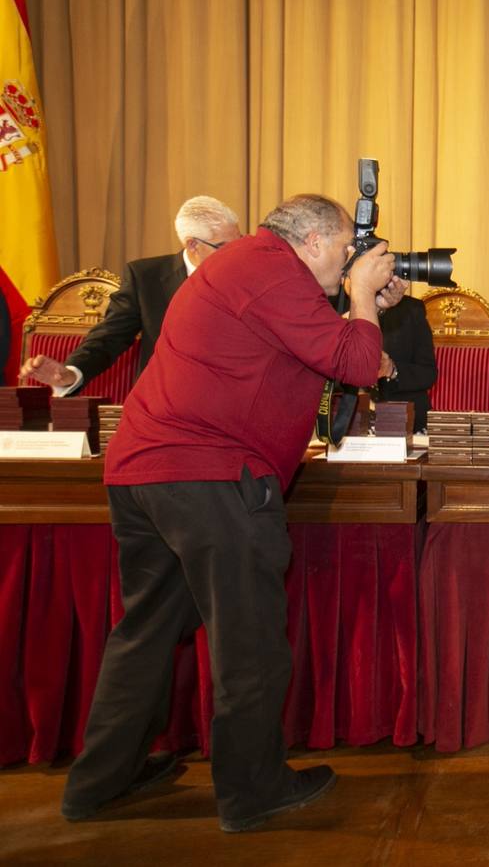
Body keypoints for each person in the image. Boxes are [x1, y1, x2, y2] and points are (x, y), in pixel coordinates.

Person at [60, 194, 405, 833]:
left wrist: (359, 307)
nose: (347, 262)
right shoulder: (272, 267)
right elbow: (354, 362)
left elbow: (316, 349)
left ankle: (100, 780)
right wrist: (359, 296)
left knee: (147, 631)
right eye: (342, 253)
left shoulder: (247, 266)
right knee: (248, 640)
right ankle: (253, 790)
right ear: (312, 240)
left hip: (148, 472)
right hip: (212, 477)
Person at [19, 196, 241, 394]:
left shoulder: (247, 275)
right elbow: (109, 337)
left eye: (239, 242)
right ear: (192, 244)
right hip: (164, 402)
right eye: (223, 246)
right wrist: (71, 374)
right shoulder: (146, 277)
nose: (235, 253)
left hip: (231, 399)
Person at [375, 295, 437, 433]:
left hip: (407, 422)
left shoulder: (410, 309)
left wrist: (392, 369)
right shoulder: (336, 304)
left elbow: (428, 374)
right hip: (348, 420)